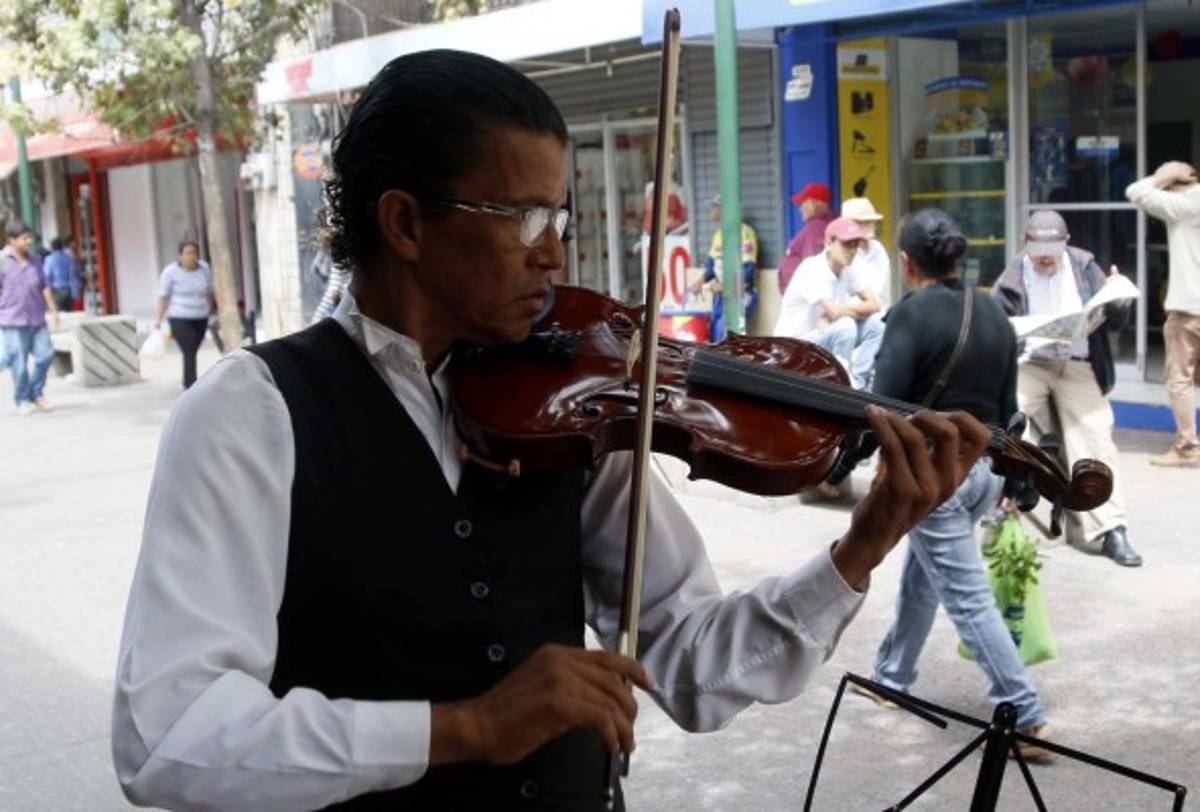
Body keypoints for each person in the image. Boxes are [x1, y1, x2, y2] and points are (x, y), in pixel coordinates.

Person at [112, 50, 992, 811]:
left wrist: (861, 548)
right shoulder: (250, 414)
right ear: (406, 223)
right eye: (524, 220)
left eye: (559, 218)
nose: (556, 256)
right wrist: (461, 728)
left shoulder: (573, 409)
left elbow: (690, 663)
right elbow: (169, 735)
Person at [848, 209, 1051, 758]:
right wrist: (1019, 479)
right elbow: (1010, 411)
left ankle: (1025, 714)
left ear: (907, 263)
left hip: (935, 473)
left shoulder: (910, 315)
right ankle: (891, 677)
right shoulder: (992, 311)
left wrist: (848, 460)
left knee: (966, 596)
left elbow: (883, 404)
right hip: (983, 471)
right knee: (925, 573)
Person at [991, 211, 1141, 567]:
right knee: (1011, 423)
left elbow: (1115, 320)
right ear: (1026, 243)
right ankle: (1007, 509)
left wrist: (1119, 302)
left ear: (1066, 241)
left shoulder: (1086, 266)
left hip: (1077, 363)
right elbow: (999, 325)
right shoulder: (1012, 276)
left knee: (1095, 433)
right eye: (1037, 248)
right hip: (1032, 362)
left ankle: (1110, 528)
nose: (1044, 257)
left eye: (1052, 248)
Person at [1125, 161, 1200, 467]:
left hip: (1188, 309)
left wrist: (1161, 177)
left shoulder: (1182, 204)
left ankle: (1187, 447)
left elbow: (1136, 191)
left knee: (1179, 378)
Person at [774, 216, 885, 390]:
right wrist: (837, 313)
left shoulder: (849, 267)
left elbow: (875, 304)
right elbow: (833, 312)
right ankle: (839, 385)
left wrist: (839, 311)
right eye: (847, 244)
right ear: (829, 242)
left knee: (876, 326)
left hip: (824, 333)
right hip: (793, 346)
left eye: (856, 244)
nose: (853, 250)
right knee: (846, 326)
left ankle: (858, 382)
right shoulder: (812, 268)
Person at [0, 220, 58, 415]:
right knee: (19, 362)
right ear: (11, 240)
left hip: (37, 318)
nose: (28, 241)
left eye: (29, 237)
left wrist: (53, 309)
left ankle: (36, 392)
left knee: (45, 355)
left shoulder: (35, 260)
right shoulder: (2, 261)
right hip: (12, 319)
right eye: (24, 238)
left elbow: (44, 285)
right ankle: (22, 399)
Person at [693, 194, 758, 341]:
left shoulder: (745, 232)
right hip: (721, 295)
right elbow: (711, 266)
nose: (712, 211)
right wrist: (699, 282)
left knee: (726, 334)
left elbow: (748, 270)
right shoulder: (719, 234)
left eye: (715, 207)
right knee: (715, 332)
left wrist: (724, 286)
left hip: (740, 294)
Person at [154, 240, 215, 389]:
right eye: (188, 253)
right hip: (179, 315)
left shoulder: (204, 268)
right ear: (180, 256)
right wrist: (158, 318)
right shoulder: (170, 272)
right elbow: (163, 296)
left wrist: (212, 309)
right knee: (189, 348)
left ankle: (188, 380)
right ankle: (191, 383)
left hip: (200, 315)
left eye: (194, 253)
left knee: (193, 348)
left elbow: (209, 290)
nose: (191, 256)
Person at [779, 181, 834, 293]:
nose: (800, 209)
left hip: (806, 296)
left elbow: (812, 263)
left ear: (813, 204)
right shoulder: (819, 225)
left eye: (802, 204)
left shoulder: (816, 227)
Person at [842, 197, 891, 309]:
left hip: (878, 314)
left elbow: (884, 295)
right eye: (862, 222)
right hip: (850, 315)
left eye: (870, 221)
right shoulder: (841, 251)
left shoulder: (878, 249)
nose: (869, 226)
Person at [43, 236, 75, 312]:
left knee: (59, 315)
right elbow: (72, 274)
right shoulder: (68, 258)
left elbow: (47, 276)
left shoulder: (49, 259)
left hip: (56, 291)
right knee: (68, 313)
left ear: (52, 247)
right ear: (62, 246)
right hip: (68, 289)